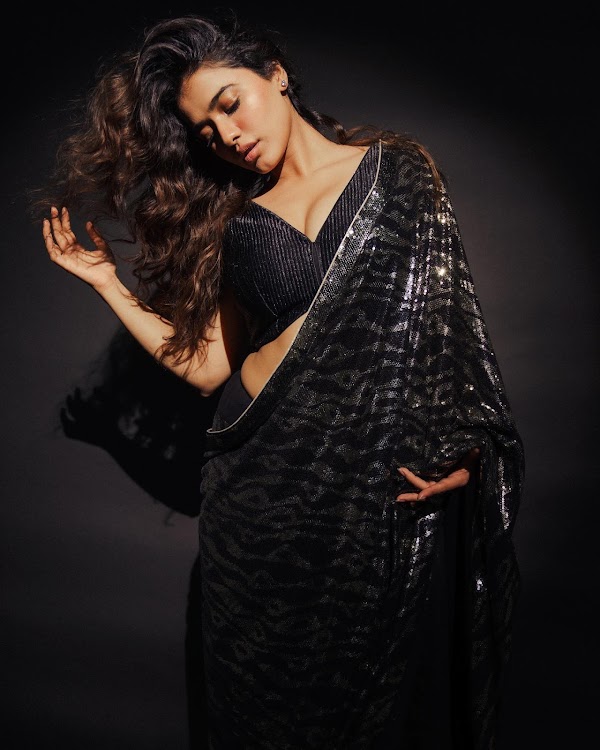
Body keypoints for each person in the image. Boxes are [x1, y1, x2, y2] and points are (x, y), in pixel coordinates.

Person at [37, 13, 525, 749]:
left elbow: (450, 334)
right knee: (272, 713)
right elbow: (209, 366)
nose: (226, 136)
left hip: (370, 498)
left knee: (384, 705)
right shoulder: (238, 224)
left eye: (230, 104)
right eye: (206, 131)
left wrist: (469, 449)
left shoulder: (400, 173)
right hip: (261, 504)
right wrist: (107, 281)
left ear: (275, 74)